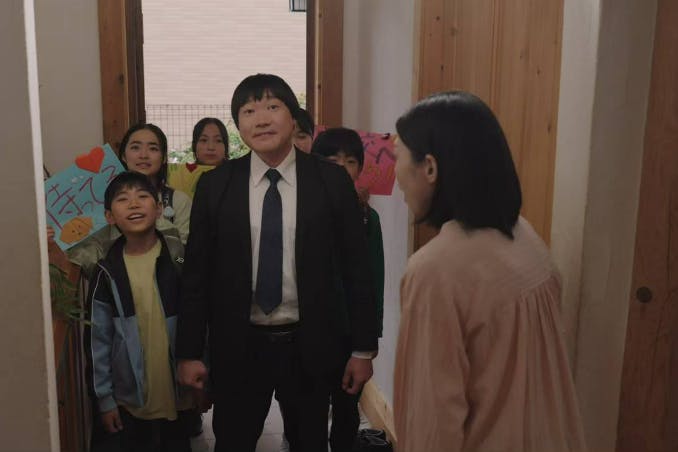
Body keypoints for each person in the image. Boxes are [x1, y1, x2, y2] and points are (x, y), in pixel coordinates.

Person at [175, 73, 378, 452]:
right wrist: (189, 352)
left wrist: (363, 349)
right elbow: (197, 276)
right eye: (249, 111)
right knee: (232, 442)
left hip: (309, 344)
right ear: (239, 125)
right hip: (239, 345)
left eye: (272, 106)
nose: (262, 119)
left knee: (309, 442)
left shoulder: (331, 180)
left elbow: (357, 270)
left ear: (293, 117)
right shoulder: (216, 185)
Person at [392, 91, 586, 451]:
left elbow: (432, 424)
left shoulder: (435, 271)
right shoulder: (525, 237)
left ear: (430, 167)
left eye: (398, 156)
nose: (396, 175)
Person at [85, 171, 191, 452]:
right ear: (109, 217)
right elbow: (98, 341)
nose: (133, 204)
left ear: (159, 209)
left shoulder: (179, 259)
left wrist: (205, 380)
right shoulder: (106, 272)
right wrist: (105, 400)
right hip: (129, 398)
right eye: (123, 199)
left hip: (179, 392)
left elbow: (199, 322)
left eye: (143, 196)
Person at [311, 127, 386, 451]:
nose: (341, 167)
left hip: (350, 333)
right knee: (309, 413)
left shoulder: (368, 218)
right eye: (331, 160)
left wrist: (368, 341)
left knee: (346, 411)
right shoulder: (302, 212)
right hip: (310, 331)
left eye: (350, 160)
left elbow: (375, 278)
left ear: (360, 168)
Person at [64, 123, 192, 279]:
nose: (143, 155)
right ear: (123, 156)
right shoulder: (104, 200)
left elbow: (184, 258)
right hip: (118, 283)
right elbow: (91, 256)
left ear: (164, 157)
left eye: (153, 148)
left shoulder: (178, 200)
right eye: (135, 147)